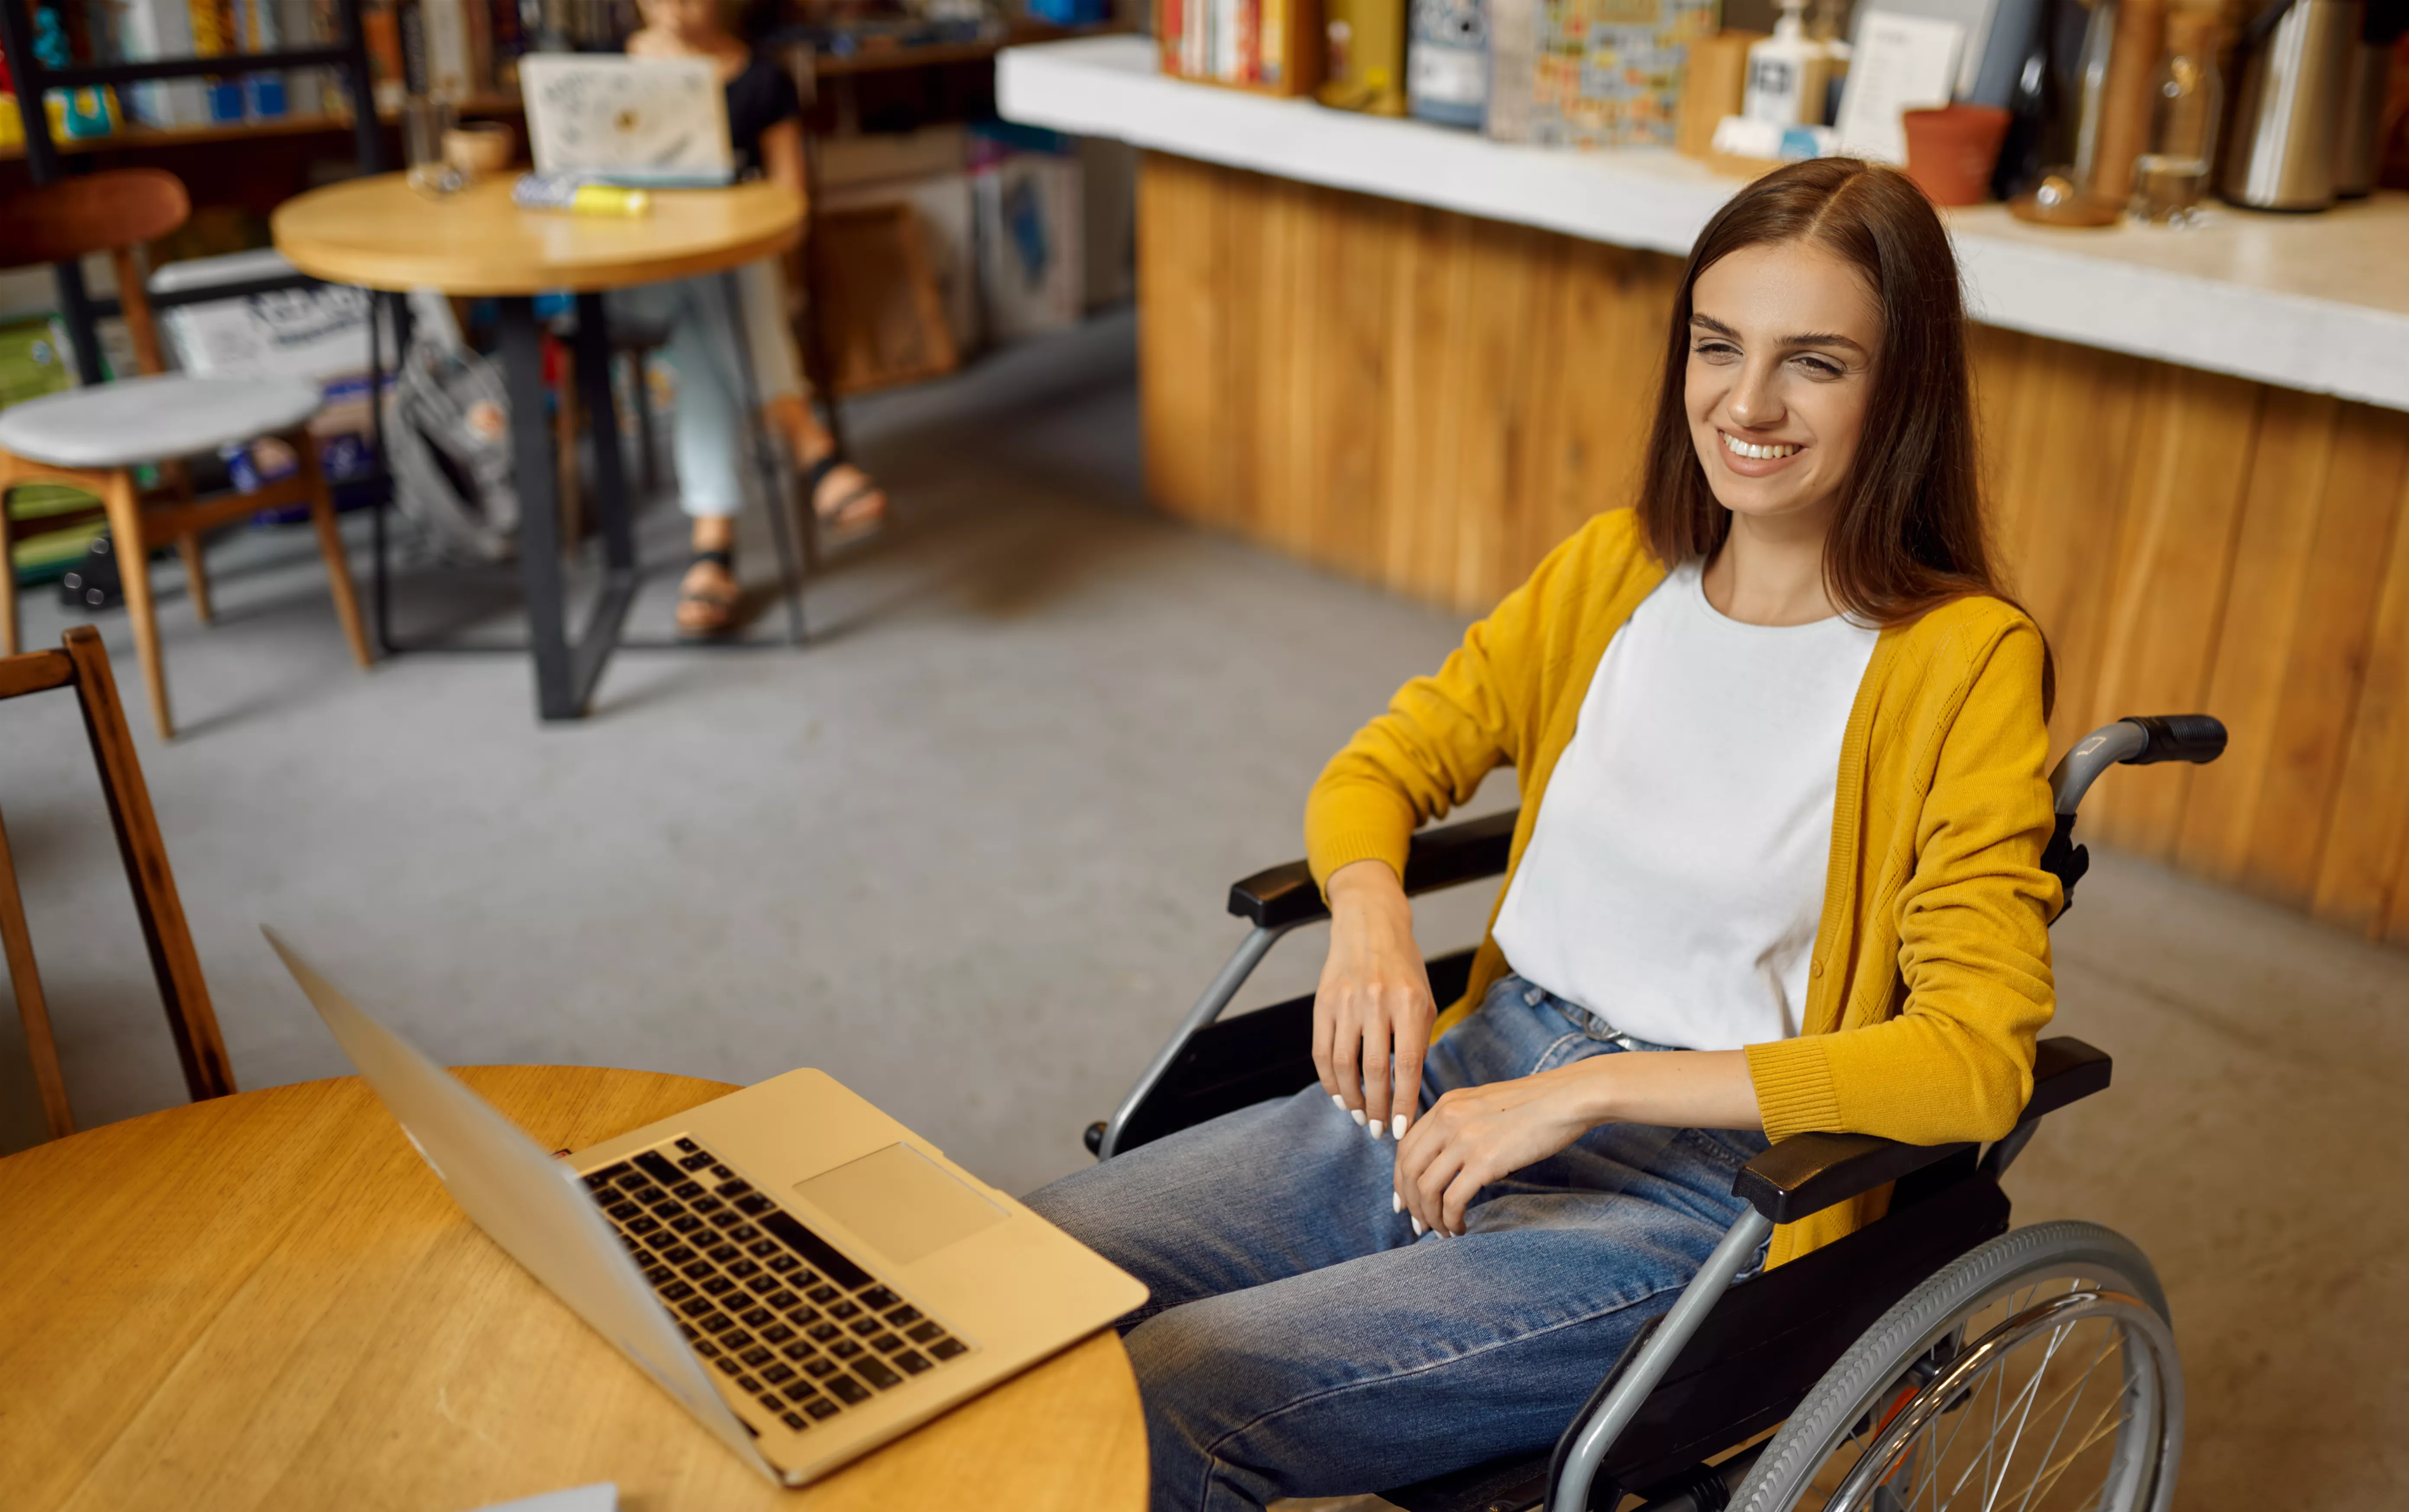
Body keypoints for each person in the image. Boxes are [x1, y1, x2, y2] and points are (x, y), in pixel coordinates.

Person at [1025, 158, 2065, 1511]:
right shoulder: (1619, 569)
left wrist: (1586, 1091)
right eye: (1717, 347)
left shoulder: (1962, 661)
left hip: (1703, 1187)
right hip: (1473, 1071)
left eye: (1814, 362)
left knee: (1179, 1391)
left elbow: (1976, 1062)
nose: (1747, 405)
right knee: (1031, 1268)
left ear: (1903, 386)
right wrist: (1373, 923)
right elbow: (1384, 765)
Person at [617, 0, 887, 636]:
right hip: (634, 279)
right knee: (717, 277)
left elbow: (789, 204)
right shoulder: (603, 76)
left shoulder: (762, 81)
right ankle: (806, 440)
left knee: (713, 288)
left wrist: (721, 216)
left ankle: (713, 547)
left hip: (724, 285)